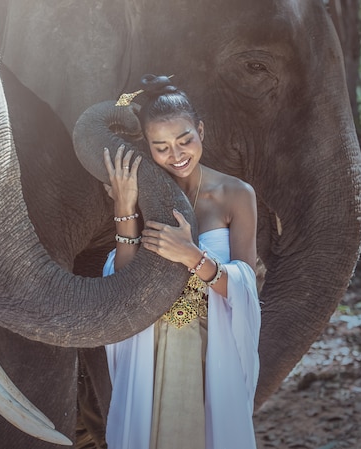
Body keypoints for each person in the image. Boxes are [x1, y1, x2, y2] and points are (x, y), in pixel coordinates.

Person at [101, 75, 261, 449]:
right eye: (161, 147)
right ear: (148, 148)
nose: (176, 155)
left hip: (212, 350)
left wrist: (193, 257)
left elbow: (247, 289)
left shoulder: (235, 195)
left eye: (184, 139)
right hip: (150, 352)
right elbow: (123, 282)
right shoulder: (147, 194)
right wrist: (125, 207)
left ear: (200, 130)